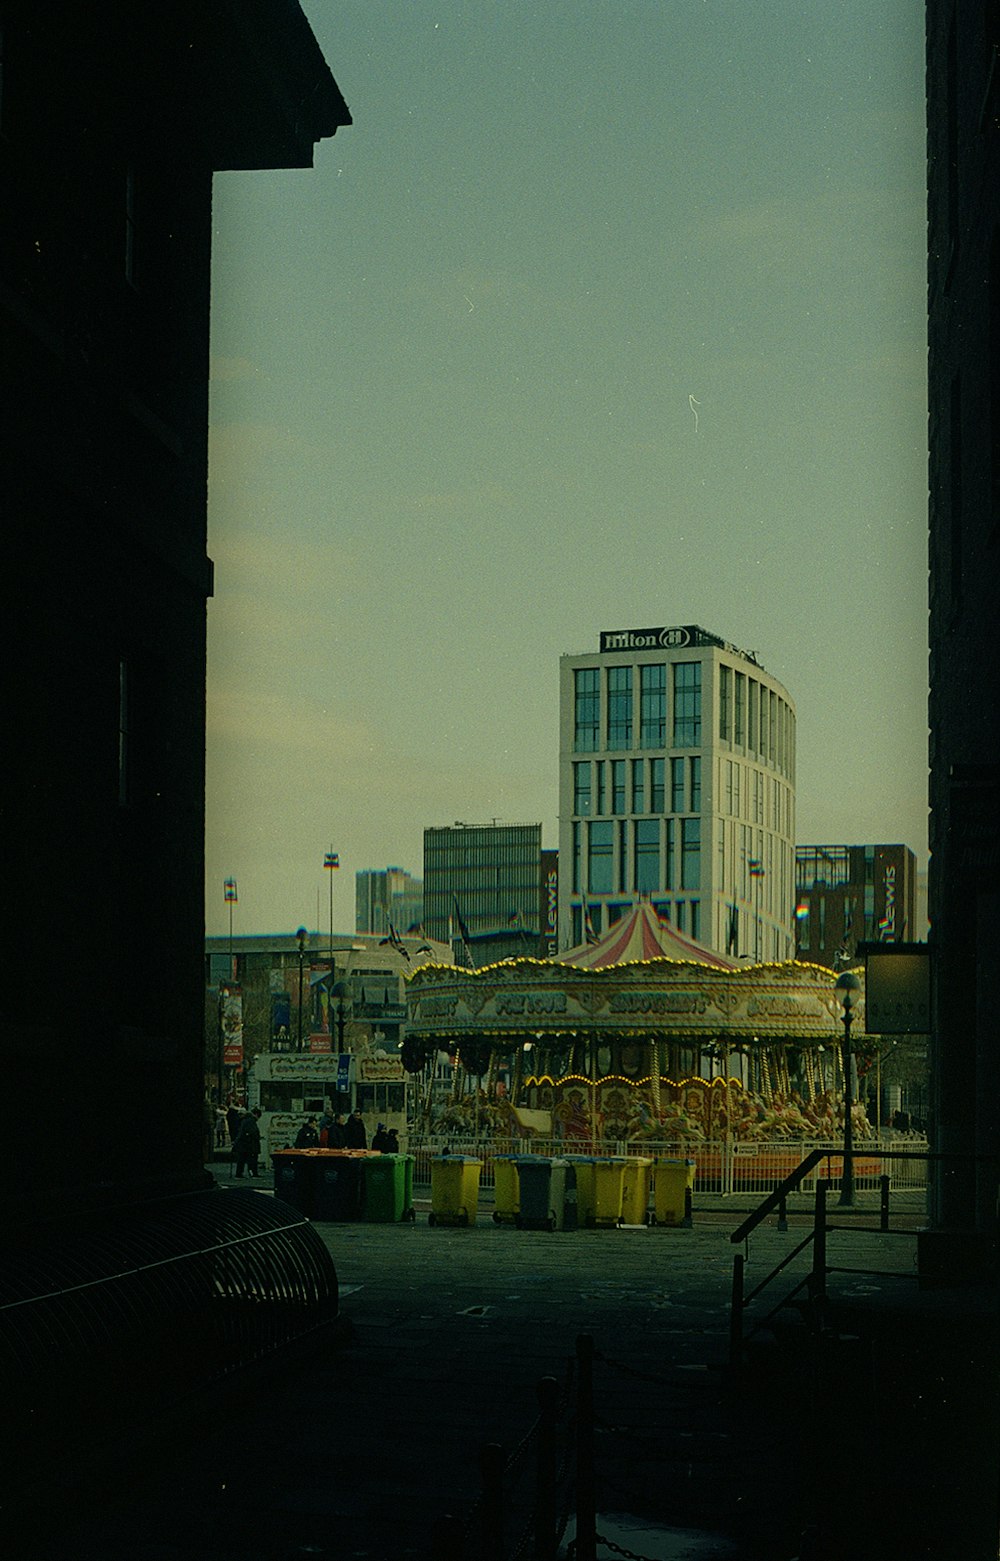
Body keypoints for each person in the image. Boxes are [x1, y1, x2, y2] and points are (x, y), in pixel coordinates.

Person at [233, 1107, 262, 1177]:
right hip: (249, 1144)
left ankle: (239, 1173)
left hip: (243, 1143)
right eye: (258, 1116)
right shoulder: (251, 1121)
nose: (258, 1119)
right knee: (252, 1160)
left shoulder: (245, 1120)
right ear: (256, 1114)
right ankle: (253, 1173)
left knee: (241, 1159)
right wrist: (258, 1137)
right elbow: (252, 1132)